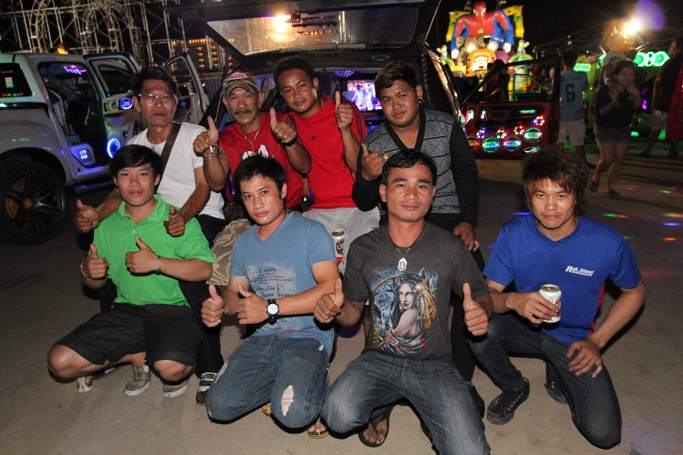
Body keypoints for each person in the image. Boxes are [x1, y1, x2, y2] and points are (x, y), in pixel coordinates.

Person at [468, 149, 645, 449]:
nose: (550, 206)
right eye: (541, 195)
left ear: (577, 197)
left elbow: (635, 292)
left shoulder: (606, 242)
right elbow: (489, 296)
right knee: (477, 329)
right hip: (524, 327)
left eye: (561, 195)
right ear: (528, 198)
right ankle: (515, 386)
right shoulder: (514, 234)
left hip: (573, 339)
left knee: (604, 434)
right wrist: (513, 300)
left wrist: (597, 341)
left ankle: (558, 370)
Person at [318, 151, 492, 455]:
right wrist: (334, 309)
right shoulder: (363, 247)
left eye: (422, 185)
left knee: (470, 451)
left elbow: (482, 295)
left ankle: (438, 404)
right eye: (401, 185)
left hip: (434, 363)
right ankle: (383, 405)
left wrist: (481, 311)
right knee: (337, 415)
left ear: (433, 193)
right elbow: (353, 313)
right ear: (383, 192)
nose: (412, 194)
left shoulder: (450, 247)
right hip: (379, 358)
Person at [73, 66, 227, 402]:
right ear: (137, 102)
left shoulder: (194, 135)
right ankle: (128, 348)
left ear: (176, 101)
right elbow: (119, 194)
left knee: (191, 273)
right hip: (149, 218)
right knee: (111, 263)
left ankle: (210, 363)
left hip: (197, 215)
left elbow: (204, 187)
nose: (158, 103)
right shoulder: (135, 144)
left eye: (165, 97)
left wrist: (182, 217)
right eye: (150, 96)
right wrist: (97, 215)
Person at [351, 60, 484, 444]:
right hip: (397, 225)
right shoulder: (375, 142)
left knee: (473, 291)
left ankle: (456, 381)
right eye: (387, 99)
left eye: (402, 95)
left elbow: (467, 174)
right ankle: (381, 387)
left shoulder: (444, 125)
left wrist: (468, 221)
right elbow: (363, 200)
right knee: (384, 293)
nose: (396, 105)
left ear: (419, 94)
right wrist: (367, 174)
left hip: (447, 218)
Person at [47, 145, 215, 396]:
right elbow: (95, 284)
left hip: (174, 311)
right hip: (126, 311)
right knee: (59, 362)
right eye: (125, 175)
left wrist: (158, 263)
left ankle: (161, 351)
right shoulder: (106, 227)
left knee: (171, 370)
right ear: (116, 182)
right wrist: (89, 273)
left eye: (143, 174)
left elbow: (205, 269)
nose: (134, 183)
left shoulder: (176, 219)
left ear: (156, 179)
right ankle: (137, 355)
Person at [201, 155, 338, 438]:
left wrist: (270, 308)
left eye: (264, 192)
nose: (257, 204)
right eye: (248, 196)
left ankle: (314, 378)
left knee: (292, 414)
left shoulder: (311, 231)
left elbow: (329, 287)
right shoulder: (244, 243)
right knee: (218, 406)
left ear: (283, 190)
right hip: (262, 338)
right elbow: (234, 291)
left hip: (308, 336)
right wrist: (221, 305)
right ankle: (290, 380)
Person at [273, 56, 379, 272]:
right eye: (288, 90)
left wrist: (345, 129)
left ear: (314, 84)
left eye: (301, 85)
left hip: (357, 207)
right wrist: (290, 141)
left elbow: (357, 167)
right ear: (282, 95)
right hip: (319, 211)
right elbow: (304, 167)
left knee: (361, 270)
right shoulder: (289, 123)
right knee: (307, 268)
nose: (296, 95)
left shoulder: (342, 110)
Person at [193, 70, 310, 211]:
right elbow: (217, 184)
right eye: (234, 98)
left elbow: (304, 167)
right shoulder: (226, 137)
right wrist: (209, 150)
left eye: (248, 95)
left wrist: (290, 142)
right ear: (226, 103)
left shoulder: (281, 123)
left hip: (288, 210)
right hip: (248, 214)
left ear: (260, 99)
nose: (241, 105)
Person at [590, 60, 641, 198]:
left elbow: (637, 107)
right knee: (607, 159)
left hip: (623, 128)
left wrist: (637, 95)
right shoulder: (605, 90)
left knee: (619, 159)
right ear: (616, 75)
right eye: (624, 74)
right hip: (604, 128)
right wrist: (613, 101)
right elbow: (601, 112)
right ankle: (597, 174)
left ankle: (610, 187)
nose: (628, 78)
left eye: (631, 75)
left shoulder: (632, 89)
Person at [641, 37, 682, 158]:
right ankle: (673, 149)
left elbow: (658, 83)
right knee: (676, 124)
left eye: (671, 46)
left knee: (656, 126)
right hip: (679, 103)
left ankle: (648, 149)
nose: (669, 49)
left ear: (676, 48)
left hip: (664, 100)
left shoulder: (669, 63)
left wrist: (654, 102)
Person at [557, 50, 589, 163]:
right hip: (577, 113)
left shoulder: (559, 76)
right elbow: (585, 89)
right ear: (575, 61)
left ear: (563, 62)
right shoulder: (582, 75)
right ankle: (583, 164)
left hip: (562, 113)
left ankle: (556, 164)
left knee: (559, 142)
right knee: (579, 144)